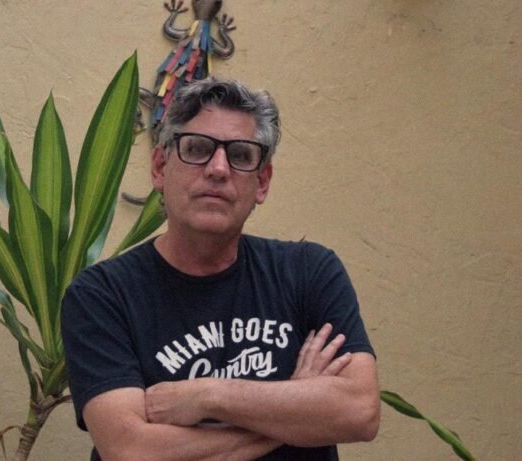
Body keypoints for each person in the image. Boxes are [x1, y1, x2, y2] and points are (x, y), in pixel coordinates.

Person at [61, 78, 380, 460]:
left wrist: (210, 395)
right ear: (160, 168)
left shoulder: (309, 272)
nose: (217, 169)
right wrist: (296, 410)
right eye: (197, 149)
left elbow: (360, 411)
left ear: (262, 182)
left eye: (241, 155)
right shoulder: (102, 295)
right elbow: (132, 451)